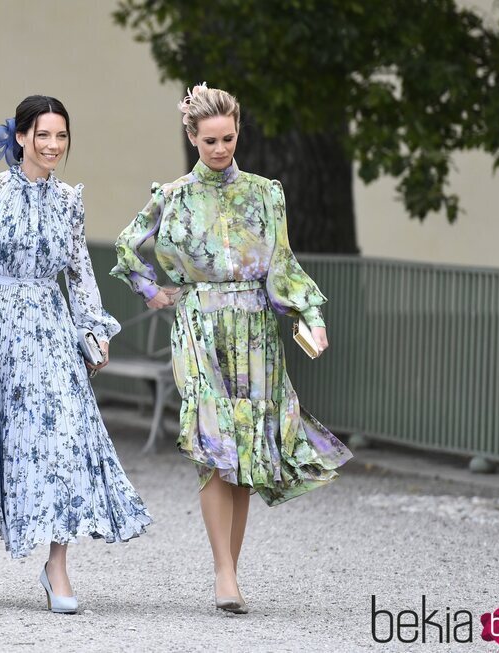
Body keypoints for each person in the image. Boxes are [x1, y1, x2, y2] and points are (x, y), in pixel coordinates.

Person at [111, 83, 352, 614]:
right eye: (209, 141)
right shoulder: (172, 195)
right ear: (192, 137)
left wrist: (309, 315)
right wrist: (153, 291)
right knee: (214, 443)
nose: (220, 149)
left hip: (257, 329)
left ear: (238, 130)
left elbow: (282, 264)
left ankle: (231, 573)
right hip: (198, 328)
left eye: (228, 138)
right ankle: (223, 572)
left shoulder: (267, 193)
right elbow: (128, 245)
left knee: (244, 448)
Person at [0, 95, 151, 614]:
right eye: (43, 135)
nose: (53, 145)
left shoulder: (70, 201)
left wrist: (94, 331)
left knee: (63, 440)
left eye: (62, 136)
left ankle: (56, 567)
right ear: (21, 136)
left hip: (53, 329)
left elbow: (79, 273)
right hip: (2, 329)